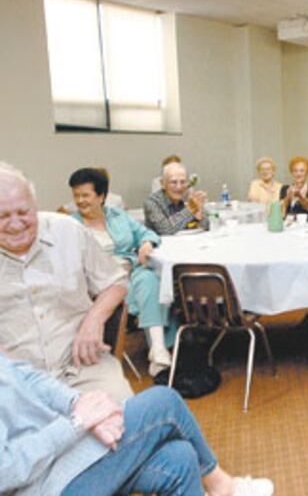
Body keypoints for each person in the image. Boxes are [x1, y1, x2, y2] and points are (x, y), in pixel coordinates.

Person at [0, 352, 274, 496]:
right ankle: (222, 486)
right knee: (163, 402)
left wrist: (79, 404)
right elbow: (6, 470)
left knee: (180, 458)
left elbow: (26, 376)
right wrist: (77, 423)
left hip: (61, 461)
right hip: (43, 487)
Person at [0, 162, 133, 401]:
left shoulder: (68, 230)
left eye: (23, 212)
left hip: (81, 364)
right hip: (13, 379)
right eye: (2, 216)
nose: (16, 224)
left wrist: (94, 319)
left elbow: (117, 281)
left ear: (34, 203)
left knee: (123, 418)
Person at [69, 167, 173, 377]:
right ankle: (160, 348)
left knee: (149, 277)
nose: (80, 201)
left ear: (102, 196)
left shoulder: (117, 216)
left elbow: (147, 233)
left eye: (85, 195)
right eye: (76, 195)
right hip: (100, 284)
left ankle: (158, 349)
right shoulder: (71, 226)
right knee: (149, 288)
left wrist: (145, 243)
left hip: (130, 271)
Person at [144, 162, 209, 235]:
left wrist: (199, 214)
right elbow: (165, 230)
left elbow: (205, 227)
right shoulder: (152, 202)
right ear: (163, 184)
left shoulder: (187, 197)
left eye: (183, 182)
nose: (179, 187)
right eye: (174, 182)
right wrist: (190, 210)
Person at [280, 156, 308, 222]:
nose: (298, 174)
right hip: (288, 226)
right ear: (291, 172)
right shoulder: (285, 188)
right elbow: (280, 209)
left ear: (307, 172)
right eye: (295, 171)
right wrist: (288, 196)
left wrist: (300, 196)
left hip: (307, 226)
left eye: (302, 171)